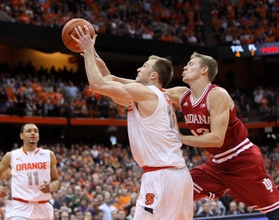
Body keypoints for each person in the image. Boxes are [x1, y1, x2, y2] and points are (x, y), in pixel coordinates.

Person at [101, 50, 279, 219]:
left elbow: (216, 139)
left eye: (190, 64)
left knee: (274, 211)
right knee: (176, 192)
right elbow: (147, 90)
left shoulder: (217, 95)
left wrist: (179, 137)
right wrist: (112, 79)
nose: (185, 67)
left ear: (204, 70)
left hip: (242, 160)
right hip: (216, 164)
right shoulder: (181, 94)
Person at [72, 25, 193, 220]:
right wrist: (92, 50)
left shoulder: (145, 94)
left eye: (144, 66)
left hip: (160, 177)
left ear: (154, 75)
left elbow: (98, 84)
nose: (138, 68)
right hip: (179, 176)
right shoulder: (155, 96)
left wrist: (86, 51)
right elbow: (109, 79)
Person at [0, 123, 60, 220]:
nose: (33, 133)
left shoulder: (48, 155)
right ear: (21, 136)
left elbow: (56, 181)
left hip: (43, 206)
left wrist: (51, 186)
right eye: (29, 131)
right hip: (20, 205)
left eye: (35, 131)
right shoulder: (12, 155)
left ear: (38, 136)